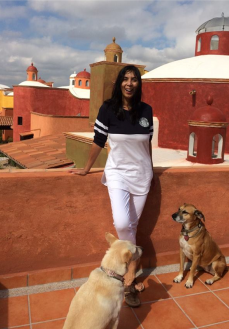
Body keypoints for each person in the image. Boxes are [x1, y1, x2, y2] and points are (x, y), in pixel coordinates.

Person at [69, 65, 154, 307]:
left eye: (134, 79)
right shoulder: (108, 109)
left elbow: (147, 144)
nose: (129, 83)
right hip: (117, 174)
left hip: (142, 175)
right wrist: (86, 167)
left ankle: (129, 280)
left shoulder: (146, 111)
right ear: (119, 83)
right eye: (125, 79)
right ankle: (131, 273)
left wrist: (152, 171)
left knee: (133, 225)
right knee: (122, 223)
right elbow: (98, 141)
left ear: (139, 84)